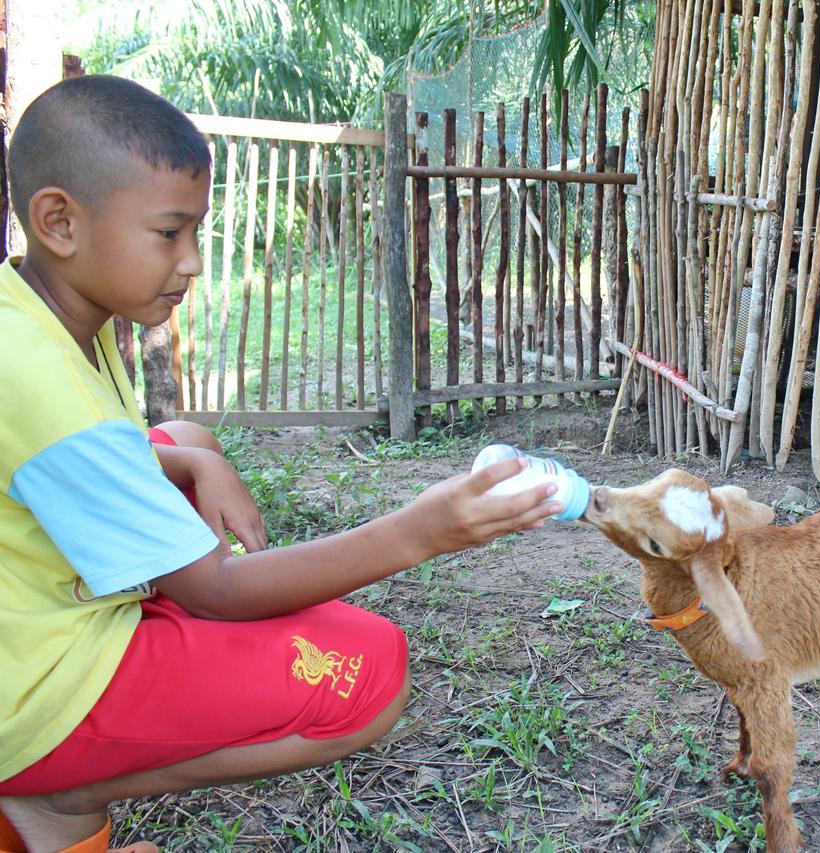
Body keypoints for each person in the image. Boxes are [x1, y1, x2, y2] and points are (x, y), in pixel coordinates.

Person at [0, 75, 562, 853]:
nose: (193, 261)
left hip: (32, 629)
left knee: (187, 439)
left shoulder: (38, 317)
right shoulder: (41, 378)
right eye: (170, 233)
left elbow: (119, 453)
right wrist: (423, 530)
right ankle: (60, 788)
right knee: (371, 675)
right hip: (35, 690)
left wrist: (203, 462)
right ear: (59, 220)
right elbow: (218, 591)